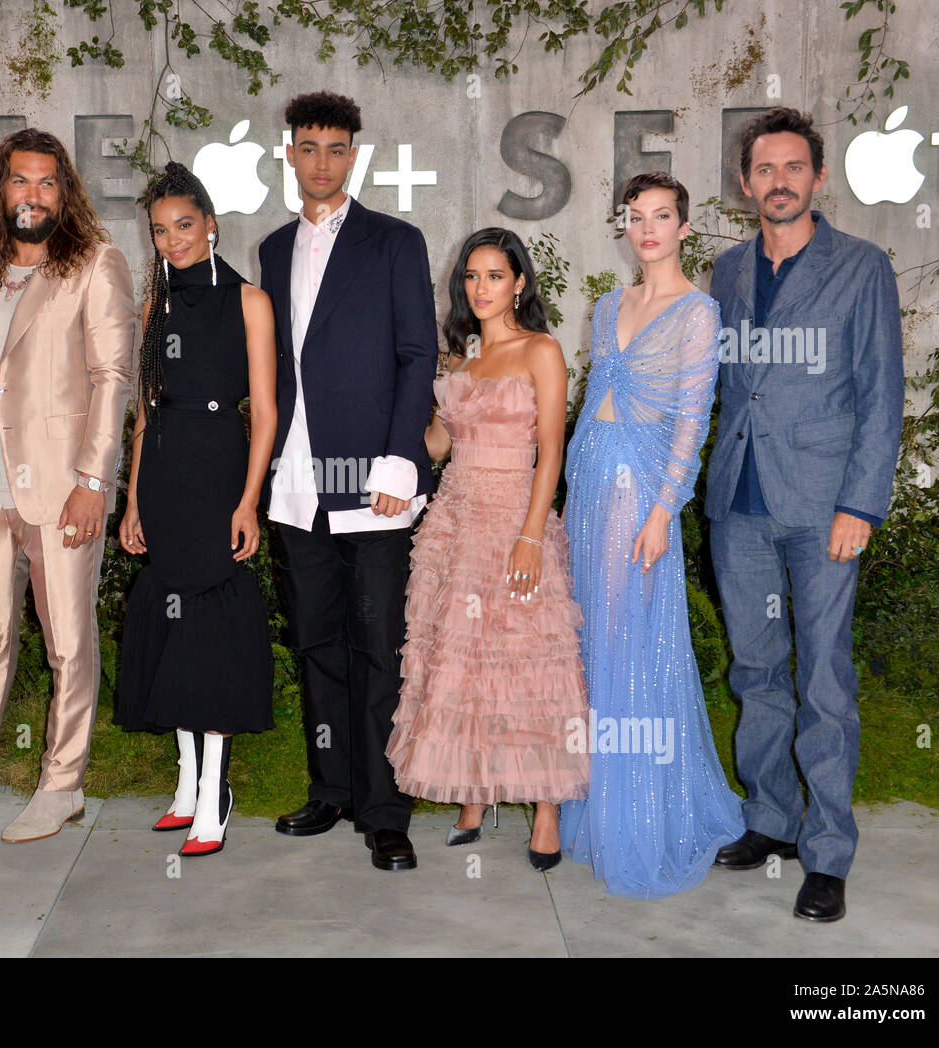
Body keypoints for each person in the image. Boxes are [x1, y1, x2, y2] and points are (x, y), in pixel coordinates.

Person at [707, 108, 904, 922]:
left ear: (817, 176)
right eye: (764, 170)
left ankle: (826, 853)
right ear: (746, 182)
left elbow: (881, 393)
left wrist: (861, 501)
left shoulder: (862, 266)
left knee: (823, 678)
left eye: (794, 168)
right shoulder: (724, 271)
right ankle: (771, 819)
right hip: (739, 501)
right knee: (756, 672)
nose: (779, 182)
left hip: (823, 505)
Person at [0, 129, 136, 842]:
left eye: (48, 183)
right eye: (22, 181)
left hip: (62, 488)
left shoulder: (96, 265)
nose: (35, 195)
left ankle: (63, 782)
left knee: (68, 645)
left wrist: (92, 481)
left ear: (65, 192)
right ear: (0, 189)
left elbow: (113, 380)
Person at [260, 91, 438, 871]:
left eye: (336, 148)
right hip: (295, 483)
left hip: (375, 484)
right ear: (289, 154)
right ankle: (332, 789)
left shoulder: (395, 242)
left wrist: (402, 459)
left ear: (353, 156)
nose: (322, 160)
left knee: (379, 648)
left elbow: (416, 356)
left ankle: (385, 808)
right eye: (308, 146)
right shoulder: (269, 250)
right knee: (318, 646)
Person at [559, 172, 745, 897]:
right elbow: (594, 397)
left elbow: (693, 419)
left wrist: (665, 509)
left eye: (662, 216)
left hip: (641, 495)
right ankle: (597, 804)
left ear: (684, 227)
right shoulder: (608, 306)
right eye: (635, 217)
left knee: (634, 638)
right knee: (592, 642)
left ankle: (641, 813)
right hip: (589, 483)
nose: (647, 229)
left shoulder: (698, 311)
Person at [386, 228, 588, 870]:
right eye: (471, 276)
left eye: (495, 275)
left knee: (530, 663)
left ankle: (547, 807)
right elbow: (439, 447)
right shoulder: (461, 363)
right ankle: (474, 791)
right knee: (465, 662)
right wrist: (405, 389)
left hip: (514, 517)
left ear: (519, 282)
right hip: (455, 520)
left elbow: (551, 450)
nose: (481, 287)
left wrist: (532, 536)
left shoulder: (541, 351)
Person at [114, 162, 277, 856]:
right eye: (159, 231)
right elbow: (144, 414)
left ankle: (216, 792)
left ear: (210, 224)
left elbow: (265, 413)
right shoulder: (154, 309)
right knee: (174, 625)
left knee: (210, 633)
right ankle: (185, 785)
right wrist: (130, 499)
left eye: (184, 225)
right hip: (164, 474)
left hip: (218, 470)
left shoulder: (251, 302)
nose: (172, 239)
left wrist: (249, 501)